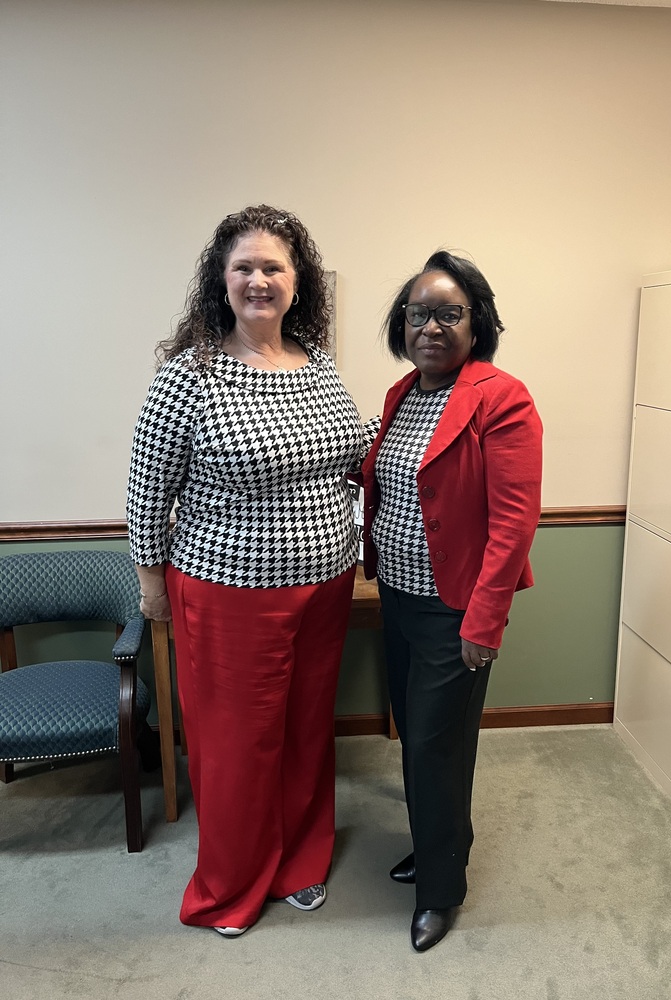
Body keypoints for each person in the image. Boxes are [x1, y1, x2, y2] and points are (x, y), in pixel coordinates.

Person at [127, 205, 375, 937]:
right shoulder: (191, 376)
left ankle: (299, 861)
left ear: (299, 283)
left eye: (274, 267)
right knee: (236, 745)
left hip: (326, 583)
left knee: (303, 731)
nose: (259, 280)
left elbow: (344, 458)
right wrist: (150, 585)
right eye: (245, 267)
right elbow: (148, 486)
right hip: (229, 592)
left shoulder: (320, 364)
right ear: (221, 279)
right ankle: (230, 887)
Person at [361, 250, 543, 952]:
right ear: (401, 324)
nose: (430, 326)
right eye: (418, 313)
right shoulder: (403, 395)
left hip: (455, 609)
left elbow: (514, 518)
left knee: (432, 748)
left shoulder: (502, 396)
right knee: (422, 738)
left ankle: (441, 890)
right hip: (401, 598)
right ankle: (444, 846)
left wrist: (486, 618)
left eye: (449, 313)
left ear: (477, 323)